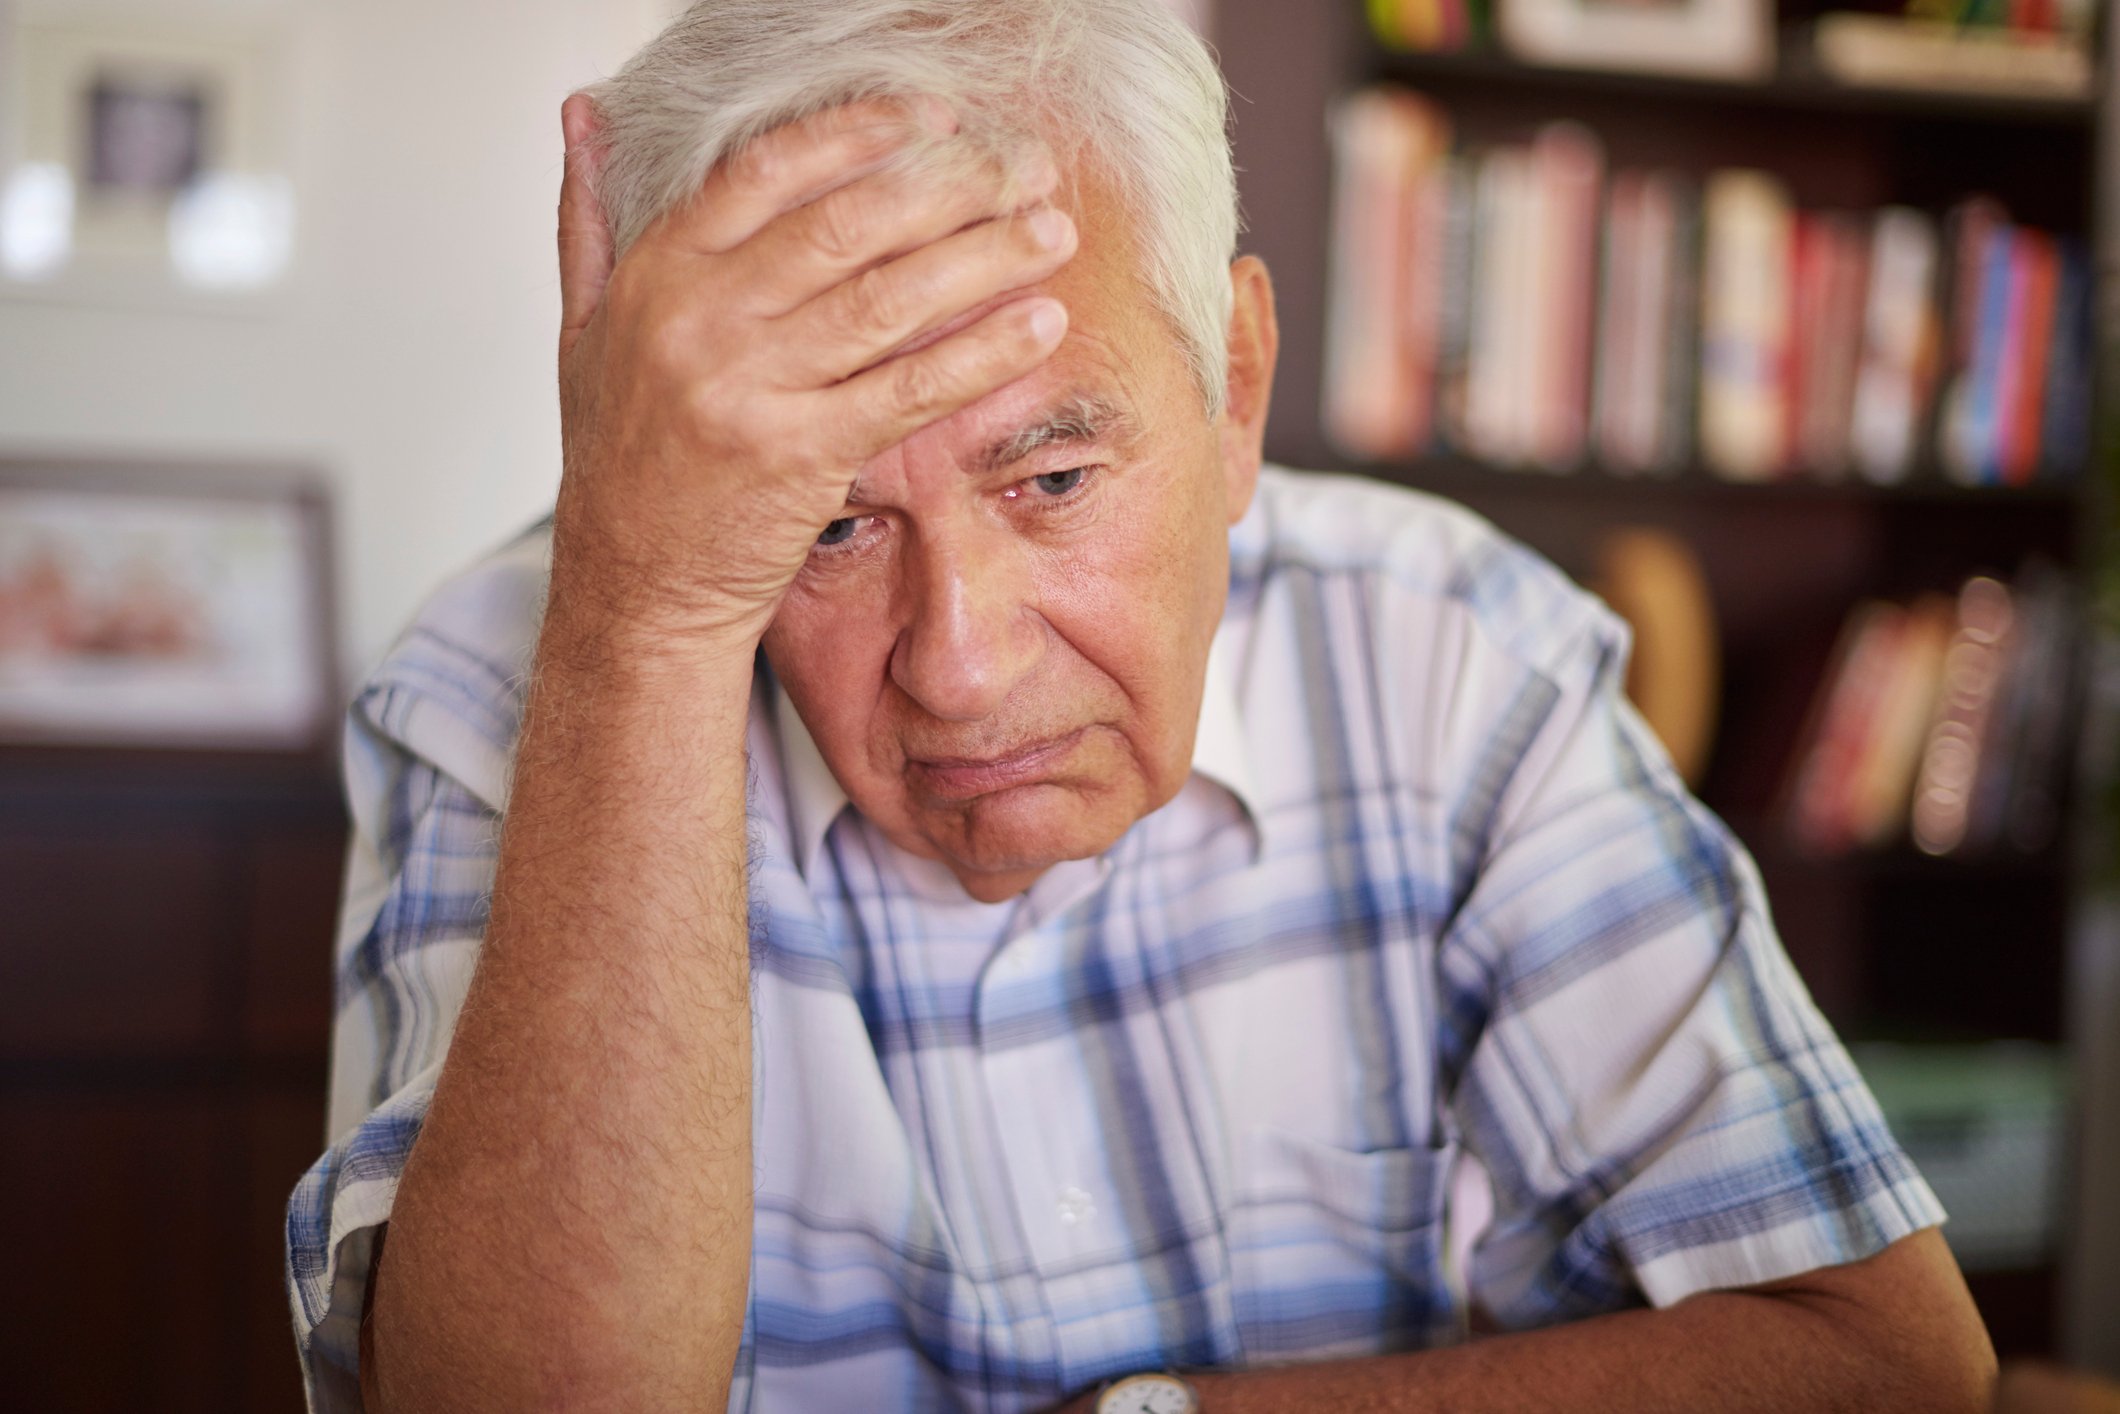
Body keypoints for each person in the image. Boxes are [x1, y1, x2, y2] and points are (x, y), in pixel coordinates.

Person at [286, 1, 1998, 1409]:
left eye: (1051, 475)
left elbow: (1886, 1361)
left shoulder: (1452, 645)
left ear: (1234, 384)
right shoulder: (526, 673)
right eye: (824, 520)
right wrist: (650, 608)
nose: (953, 659)